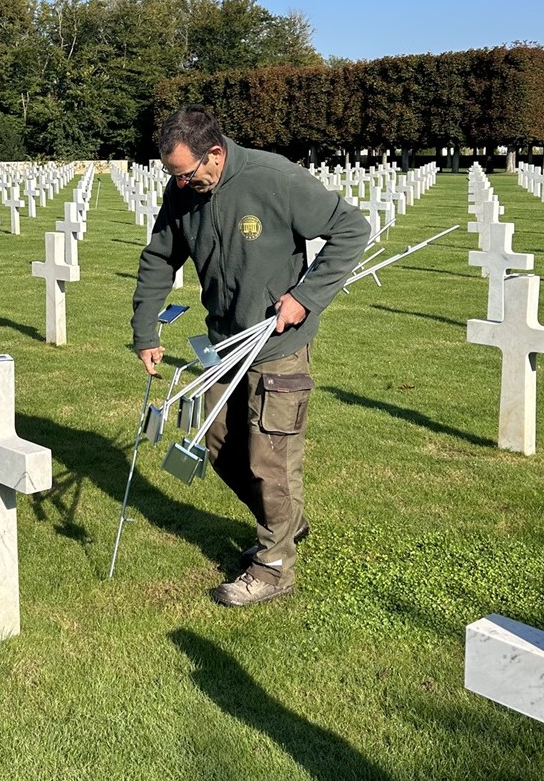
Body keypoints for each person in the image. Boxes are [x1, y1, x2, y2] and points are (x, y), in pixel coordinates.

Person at [131, 106, 370, 606]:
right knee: (218, 443)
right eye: (172, 175)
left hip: (277, 346)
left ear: (214, 154)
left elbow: (352, 228)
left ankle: (274, 566)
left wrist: (306, 296)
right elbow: (159, 257)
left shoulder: (274, 178)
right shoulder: (182, 195)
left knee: (271, 458)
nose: (178, 184)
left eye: (185, 173)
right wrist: (146, 329)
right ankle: (286, 522)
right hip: (224, 344)